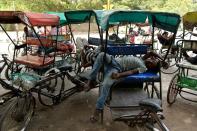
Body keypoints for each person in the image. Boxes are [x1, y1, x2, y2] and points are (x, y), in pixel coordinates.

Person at [83, 51, 168, 123]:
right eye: (153, 58)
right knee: (102, 54)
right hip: (112, 61)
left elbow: (131, 71)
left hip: (116, 69)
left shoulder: (143, 68)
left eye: (154, 62)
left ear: (151, 67)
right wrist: (162, 60)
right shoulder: (142, 58)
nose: (152, 59)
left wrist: (119, 75)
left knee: (106, 85)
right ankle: (90, 80)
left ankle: (98, 109)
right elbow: (152, 53)